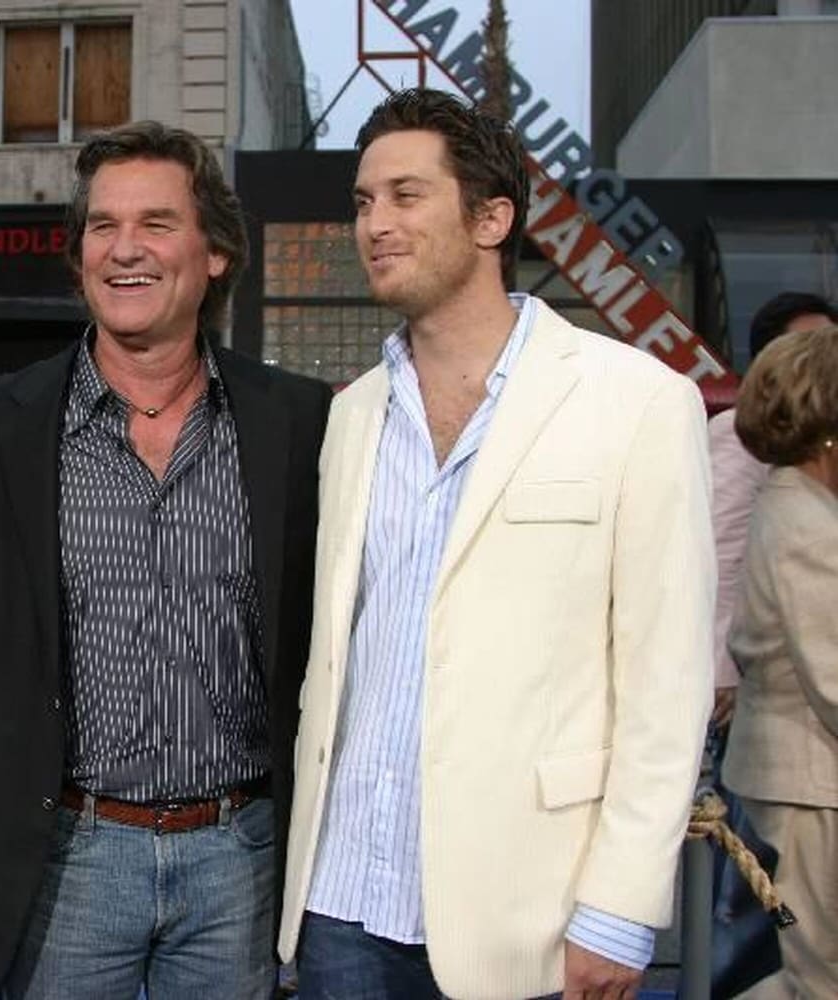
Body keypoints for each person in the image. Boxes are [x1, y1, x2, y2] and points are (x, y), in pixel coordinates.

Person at [279, 89, 714, 1000]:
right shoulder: (350, 416)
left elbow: (666, 682)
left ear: (491, 217)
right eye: (363, 202)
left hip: (533, 918)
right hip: (342, 908)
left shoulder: (633, 401)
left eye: (406, 196)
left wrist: (620, 907)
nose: (374, 225)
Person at [0, 121, 331, 999]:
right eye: (102, 226)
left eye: (156, 222)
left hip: (241, 859)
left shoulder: (298, 425)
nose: (125, 249)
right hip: (67, 858)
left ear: (217, 253)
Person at [721, 324, 838, 999]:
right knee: (815, 976)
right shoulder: (807, 527)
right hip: (808, 790)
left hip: (799, 784)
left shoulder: (801, 508)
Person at [709, 292, 838, 726]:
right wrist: (719, 669)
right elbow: (720, 554)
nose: (823, 357)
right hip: (762, 680)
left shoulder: (823, 447)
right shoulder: (739, 434)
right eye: (808, 345)